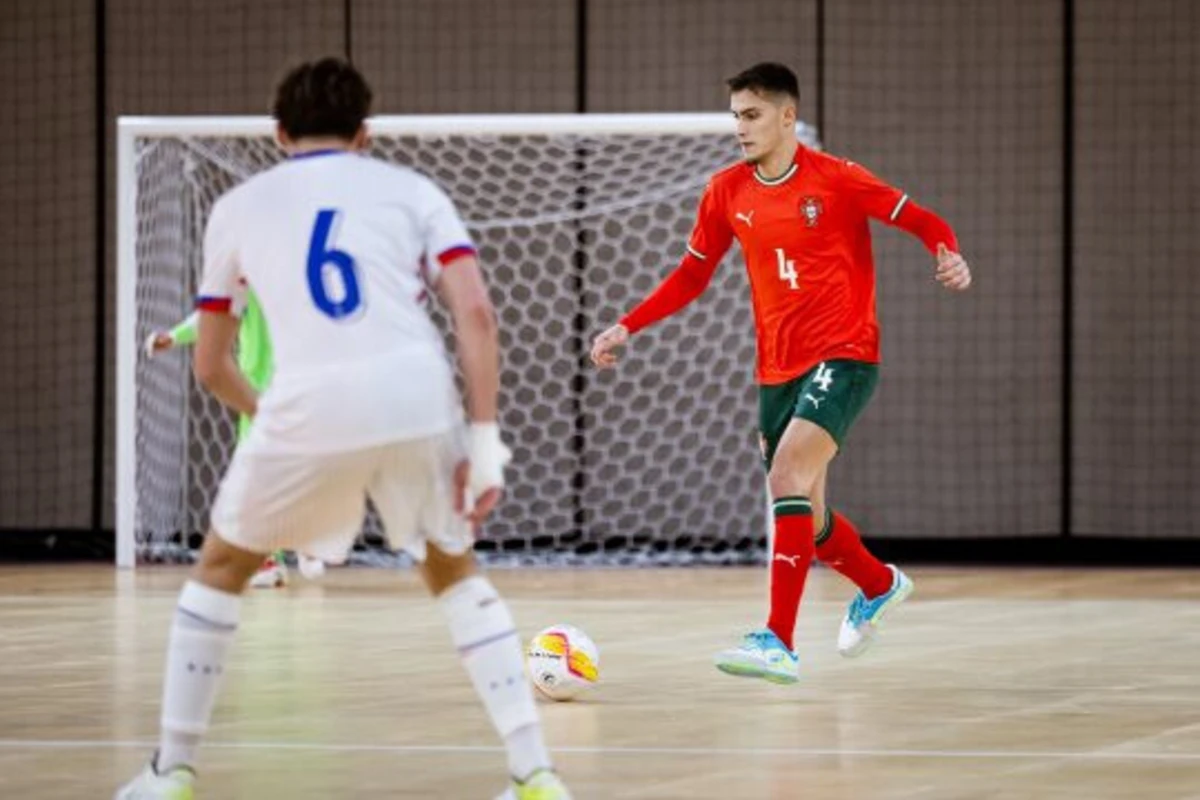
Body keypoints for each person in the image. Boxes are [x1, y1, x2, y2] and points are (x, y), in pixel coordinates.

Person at [117, 57, 571, 800]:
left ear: (278, 133)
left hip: (303, 401)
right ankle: (534, 773)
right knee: (453, 571)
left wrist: (276, 423)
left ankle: (173, 770)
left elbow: (210, 364)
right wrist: (484, 444)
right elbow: (477, 316)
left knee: (223, 570)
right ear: (365, 133)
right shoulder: (413, 190)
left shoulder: (239, 205)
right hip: (416, 396)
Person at [591, 62, 971, 685]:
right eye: (735, 116)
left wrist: (947, 252)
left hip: (845, 354)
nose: (740, 128)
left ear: (787, 117)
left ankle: (778, 640)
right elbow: (692, 276)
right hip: (776, 368)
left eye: (752, 115)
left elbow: (922, 220)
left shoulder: (838, 179)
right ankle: (878, 584)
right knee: (811, 520)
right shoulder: (725, 192)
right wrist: (626, 325)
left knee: (786, 473)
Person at [146, 300, 326, 588]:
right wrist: (175, 336)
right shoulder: (245, 281)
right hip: (254, 394)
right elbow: (212, 317)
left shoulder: (301, 277)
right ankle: (273, 557)